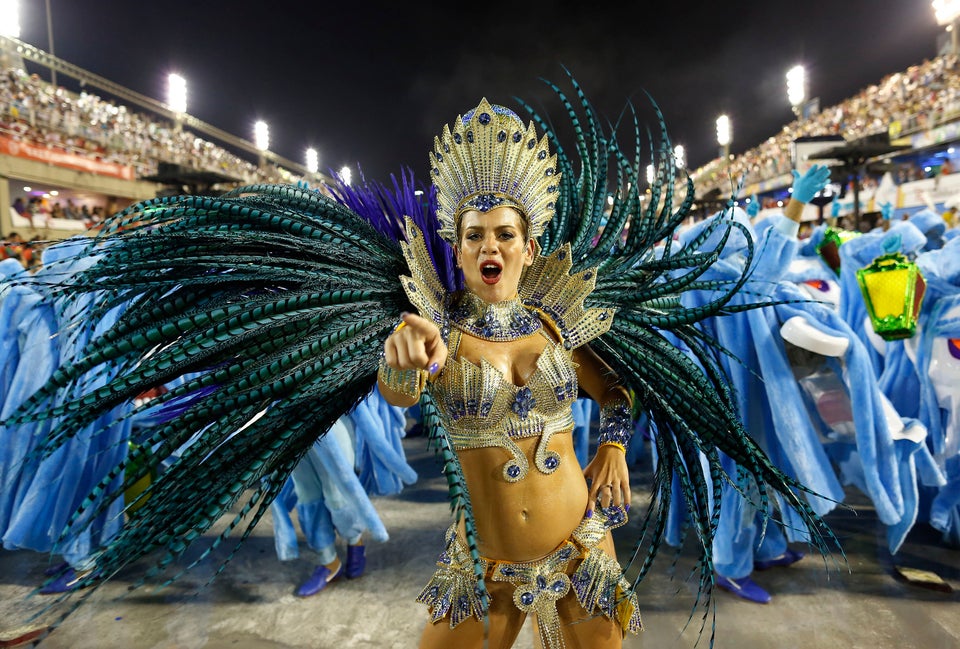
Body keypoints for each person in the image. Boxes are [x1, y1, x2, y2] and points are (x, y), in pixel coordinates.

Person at [376, 101, 637, 648]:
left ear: (528, 247)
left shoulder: (555, 326)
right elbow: (400, 393)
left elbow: (615, 391)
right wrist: (398, 360)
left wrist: (612, 448)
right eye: (474, 236)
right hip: (483, 569)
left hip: (583, 549)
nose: (488, 246)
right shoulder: (438, 332)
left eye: (503, 234)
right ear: (458, 249)